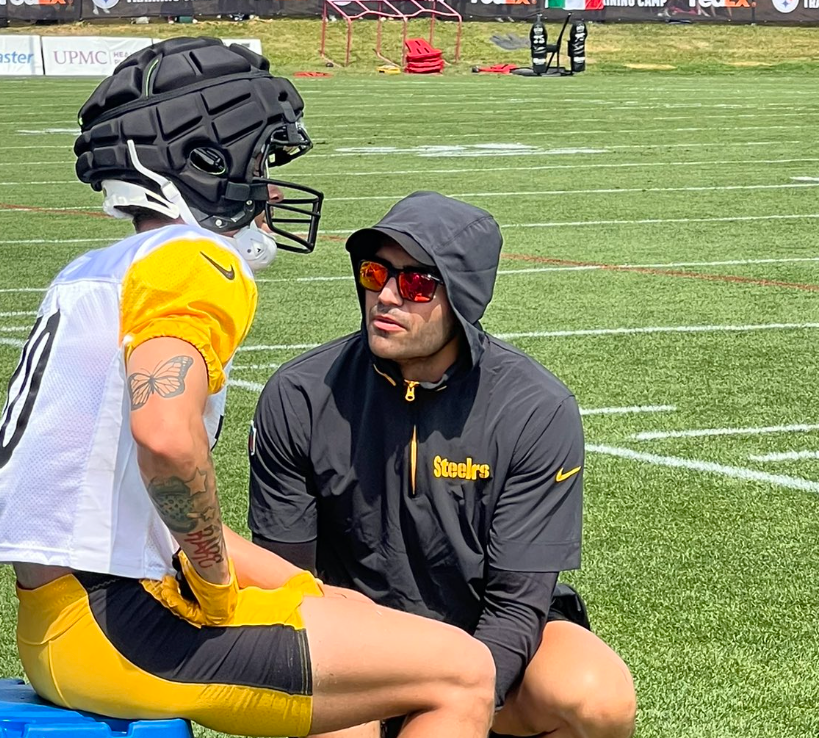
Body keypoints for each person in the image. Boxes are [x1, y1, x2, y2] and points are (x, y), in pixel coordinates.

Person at [0, 39, 497, 738]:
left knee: (354, 623)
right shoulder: (194, 260)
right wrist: (216, 579)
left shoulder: (95, 272)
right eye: (260, 161)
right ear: (205, 163)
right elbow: (164, 437)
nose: (271, 189)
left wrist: (303, 590)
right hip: (121, 626)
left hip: (59, 621)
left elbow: (141, 506)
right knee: (462, 669)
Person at [248, 191, 637, 738]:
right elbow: (286, 589)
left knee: (596, 696)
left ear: (464, 296)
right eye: (375, 272)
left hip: (487, 641)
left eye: (416, 284)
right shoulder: (300, 394)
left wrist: (454, 703)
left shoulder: (535, 409)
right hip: (353, 645)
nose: (385, 296)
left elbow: (516, 607)